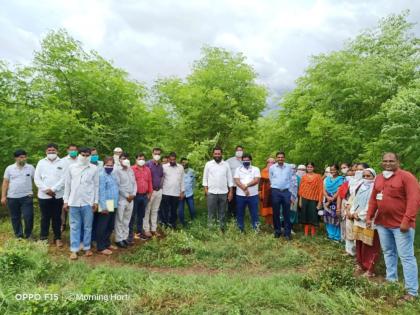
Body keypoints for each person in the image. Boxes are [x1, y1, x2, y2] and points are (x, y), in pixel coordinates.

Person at [367, 152, 420, 301]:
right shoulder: (378, 177)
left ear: (398, 161)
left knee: (406, 257)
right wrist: (369, 216)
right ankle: (391, 281)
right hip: (383, 224)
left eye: (391, 161)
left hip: (401, 225)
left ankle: (412, 292)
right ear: (382, 162)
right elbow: (373, 199)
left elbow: (414, 200)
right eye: (385, 161)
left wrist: (406, 220)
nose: (388, 163)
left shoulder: (406, 177)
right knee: (389, 252)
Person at [63, 147, 99, 260]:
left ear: (90, 156)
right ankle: (74, 250)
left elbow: (96, 186)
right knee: (74, 226)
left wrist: (95, 201)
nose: (85, 157)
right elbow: (67, 185)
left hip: (88, 202)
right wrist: (66, 201)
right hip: (73, 202)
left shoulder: (94, 168)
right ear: (79, 155)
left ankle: (87, 247)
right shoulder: (72, 167)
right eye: (83, 154)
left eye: (87, 155)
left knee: (88, 226)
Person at [350, 168, 380, 277]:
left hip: (369, 220)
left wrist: (361, 215)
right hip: (357, 219)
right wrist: (353, 212)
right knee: (359, 242)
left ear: (374, 176)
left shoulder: (376, 188)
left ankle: (370, 268)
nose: (366, 178)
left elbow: (373, 205)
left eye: (369, 176)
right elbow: (354, 200)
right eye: (364, 176)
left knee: (370, 245)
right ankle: (360, 264)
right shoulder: (360, 186)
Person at [34, 143, 65, 247]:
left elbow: (64, 179)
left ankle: (58, 238)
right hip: (44, 195)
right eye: (49, 150)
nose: (51, 152)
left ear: (57, 151)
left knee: (57, 218)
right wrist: (46, 190)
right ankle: (43, 238)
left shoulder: (63, 162)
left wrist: (53, 189)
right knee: (45, 218)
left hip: (58, 195)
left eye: (53, 150)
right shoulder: (41, 162)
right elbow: (36, 178)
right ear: (46, 152)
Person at [1, 149, 35, 239]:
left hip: (27, 196)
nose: (23, 159)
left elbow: (36, 180)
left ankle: (28, 235)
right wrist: (3, 196)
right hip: (12, 197)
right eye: (20, 157)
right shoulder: (9, 168)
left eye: (24, 157)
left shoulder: (30, 167)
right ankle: (19, 236)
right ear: (15, 158)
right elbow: (5, 182)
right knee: (15, 217)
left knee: (28, 216)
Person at [202, 146, 233, 230]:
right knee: (211, 212)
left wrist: (230, 192)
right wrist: (206, 190)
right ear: (213, 154)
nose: (217, 155)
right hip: (211, 192)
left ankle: (221, 229)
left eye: (219, 153)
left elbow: (230, 179)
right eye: (215, 153)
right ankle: (211, 229)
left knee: (222, 212)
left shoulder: (226, 164)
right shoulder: (208, 164)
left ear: (221, 154)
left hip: (223, 192)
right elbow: (205, 178)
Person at [95, 156, 119, 255]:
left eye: (111, 165)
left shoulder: (113, 175)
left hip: (113, 203)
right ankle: (100, 247)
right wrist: (104, 206)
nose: (109, 167)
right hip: (105, 204)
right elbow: (101, 192)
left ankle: (107, 243)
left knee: (110, 225)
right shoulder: (101, 175)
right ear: (103, 165)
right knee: (103, 226)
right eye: (107, 165)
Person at [269, 151, 294, 240]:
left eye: (282, 157)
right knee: (276, 212)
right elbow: (271, 179)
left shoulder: (289, 167)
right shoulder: (272, 168)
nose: (280, 159)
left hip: (286, 192)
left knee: (286, 212)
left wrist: (291, 194)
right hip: (275, 192)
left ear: (284, 158)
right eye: (278, 157)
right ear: (276, 158)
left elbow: (291, 180)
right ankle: (277, 231)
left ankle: (287, 233)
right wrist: (276, 188)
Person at [114, 153, 137, 248]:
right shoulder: (117, 171)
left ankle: (124, 237)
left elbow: (135, 183)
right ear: (119, 160)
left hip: (131, 199)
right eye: (123, 158)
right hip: (122, 199)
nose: (125, 160)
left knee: (127, 219)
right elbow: (117, 185)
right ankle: (118, 239)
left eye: (127, 158)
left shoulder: (130, 170)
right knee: (119, 219)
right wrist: (127, 196)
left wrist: (134, 194)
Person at [234, 153, 261, 232]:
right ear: (242, 161)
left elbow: (256, 180)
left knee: (254, 213)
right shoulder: (238, 169)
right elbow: (237, 181)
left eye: (247, 160)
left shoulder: (256, 169)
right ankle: (240, 229)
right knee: (240, 213)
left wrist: (246, 185)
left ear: (251, 160)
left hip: (253, 195)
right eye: (244, 160)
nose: (246, 161)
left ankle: (256, 229)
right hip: (240, 195)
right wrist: (244, 189)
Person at [129, 153, 152, 240]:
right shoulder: (131, 169)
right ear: (136, 160)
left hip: (144, 196)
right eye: (139, 159)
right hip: (135, 196)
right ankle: (130, 235)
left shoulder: (147, 170)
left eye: (142, 159)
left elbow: (149, 181)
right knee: (132, 215)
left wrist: (150, 193)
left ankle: (139, 232)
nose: (141, 160)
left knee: (141, 215)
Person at [298, 162, 323, 237]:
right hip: (304, 198)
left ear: (313, 168)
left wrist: (319, 202)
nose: (309, 168)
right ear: (306, 168)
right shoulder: (304, 177)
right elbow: (301, 189)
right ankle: (305, 232)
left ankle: (312, 232)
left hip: (314, 199)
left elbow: (320, 189)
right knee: (305, 215)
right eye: (308, 167)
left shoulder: (318, 176)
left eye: (311, 167)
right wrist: (300, 200)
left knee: (313, 215)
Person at [161, 152, 185, 228]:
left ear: (176, 159)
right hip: (165, 192)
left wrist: (182, 192)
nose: (172, 161)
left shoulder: (180, 167)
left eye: (174, 159)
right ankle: (165, 224)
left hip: (176, 192)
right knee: (165, 210)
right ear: (168, 159)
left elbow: (182, 180)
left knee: (174, 210)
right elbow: (161, 179)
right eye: (171, 159)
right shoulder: (164, 167)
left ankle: (173, 224)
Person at [144, 147, 164, 237]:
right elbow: (145, 178)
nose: (157, 155)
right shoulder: (147, 164)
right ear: (152, 154)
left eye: (159, 154)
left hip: (159, 190)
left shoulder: (160, 165)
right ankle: (146, 229)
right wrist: (148, 191)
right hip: (150, 191)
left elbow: (161, 177)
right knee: (147, 210)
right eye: (155, 153)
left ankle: (153, 229)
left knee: (155, 210)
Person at [323, 164, 345, 241]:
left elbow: (339, 191)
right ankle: (330, 234)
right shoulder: (327, 179)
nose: (332, 171)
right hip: (327, 200)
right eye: (331, 170)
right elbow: (324, 190)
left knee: (335, 218)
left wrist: (332, 199)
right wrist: (327, 197)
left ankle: (337, 236)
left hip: (336, 201)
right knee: (328, 217)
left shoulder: (341, 179)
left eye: (334, 170)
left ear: (337, 170)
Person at [60, 144, 78, 232]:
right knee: (64, 207)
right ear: (67, 150)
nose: (73, 151)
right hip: (65, 187)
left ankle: (73, 225)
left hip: (77, 188)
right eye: (71, 150)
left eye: (75, 150)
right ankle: (63, 224)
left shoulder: (80, 160)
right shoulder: (63, 160)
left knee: (73, 207)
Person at [226, 145, 244, 220]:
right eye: (238, 150)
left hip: (242, 186)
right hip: (232, 186)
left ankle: (239, 218)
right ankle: (230, 218)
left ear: (243, 151)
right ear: (235, 151)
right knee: (231, 202)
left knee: (240, 203)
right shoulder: (229, 161)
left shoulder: (245, 160)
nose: (239, 152)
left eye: (241, 150)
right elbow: (225, 171)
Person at [178, 157, 196, 226]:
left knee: (192, 209)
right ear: (181, 163)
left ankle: (194, 221)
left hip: (189, 193)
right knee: (180, 210)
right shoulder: (178, 171)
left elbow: (194, 182)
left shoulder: (192, 171)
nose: (184, 163)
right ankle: (182, 223)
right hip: (180, 194)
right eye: (183, 162)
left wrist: (193, 190)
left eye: (186, 162)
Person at [259, 158, 275, 225]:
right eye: (269, 162)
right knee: (265, 206)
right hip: (265, 192)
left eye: (272, 162)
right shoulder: (263, 171)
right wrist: (259, 191)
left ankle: (272, 223)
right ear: (267, 163)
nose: (270, 164)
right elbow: (260, 183)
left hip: (274, 192)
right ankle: (267, 223)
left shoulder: (276, 171)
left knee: (273, 206)